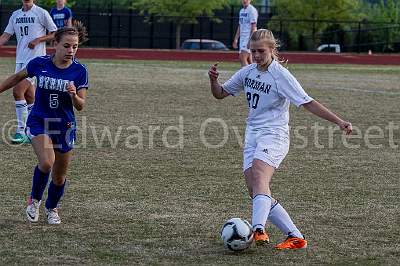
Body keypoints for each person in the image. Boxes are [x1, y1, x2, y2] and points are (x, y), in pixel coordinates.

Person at [208, 29, 352, 249]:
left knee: (259, 174)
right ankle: (295, 237)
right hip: (253, 135)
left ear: (272, 50)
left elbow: (308, 102)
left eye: (261, 51)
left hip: (275, 135)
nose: (256, 56)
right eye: (253, 51)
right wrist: (213, 81)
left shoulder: (281, 75)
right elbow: (220, 94)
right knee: (255, 189)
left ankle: (258, 228)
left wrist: (339, 121)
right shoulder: (248, 72)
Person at [0, 21, 89, 225]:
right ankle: (35, 200)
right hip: (39, 120)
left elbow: (81, 105)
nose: (71, 50)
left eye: (75, 46)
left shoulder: (79, 71)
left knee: (59, 177)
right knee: (47, 162)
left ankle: (52, 208)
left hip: (64, 126)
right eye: (66, 45)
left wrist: (74, 96)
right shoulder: (39, 63)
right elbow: (16, 78)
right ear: (55, 43)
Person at [0, 0, 57, 144]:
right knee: (29, 95)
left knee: (17, 91)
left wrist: (38, 39)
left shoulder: (41, 12)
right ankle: (36, 130)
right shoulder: (15, 15)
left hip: (36, 61)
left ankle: (21, 131)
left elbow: (55, 33)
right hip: (20, 60)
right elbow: (6, 35)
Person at [232, 0, 258, 67]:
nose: (244, 0)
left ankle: (246, 76)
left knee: (242, 58)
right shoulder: (241, 11)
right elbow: (240, 25)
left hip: (248, 37)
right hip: (242, 38)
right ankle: (254, 75)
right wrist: (236, 39)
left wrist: (250, 40)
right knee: (249, 60)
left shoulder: (252, 10)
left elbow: (253, 26)